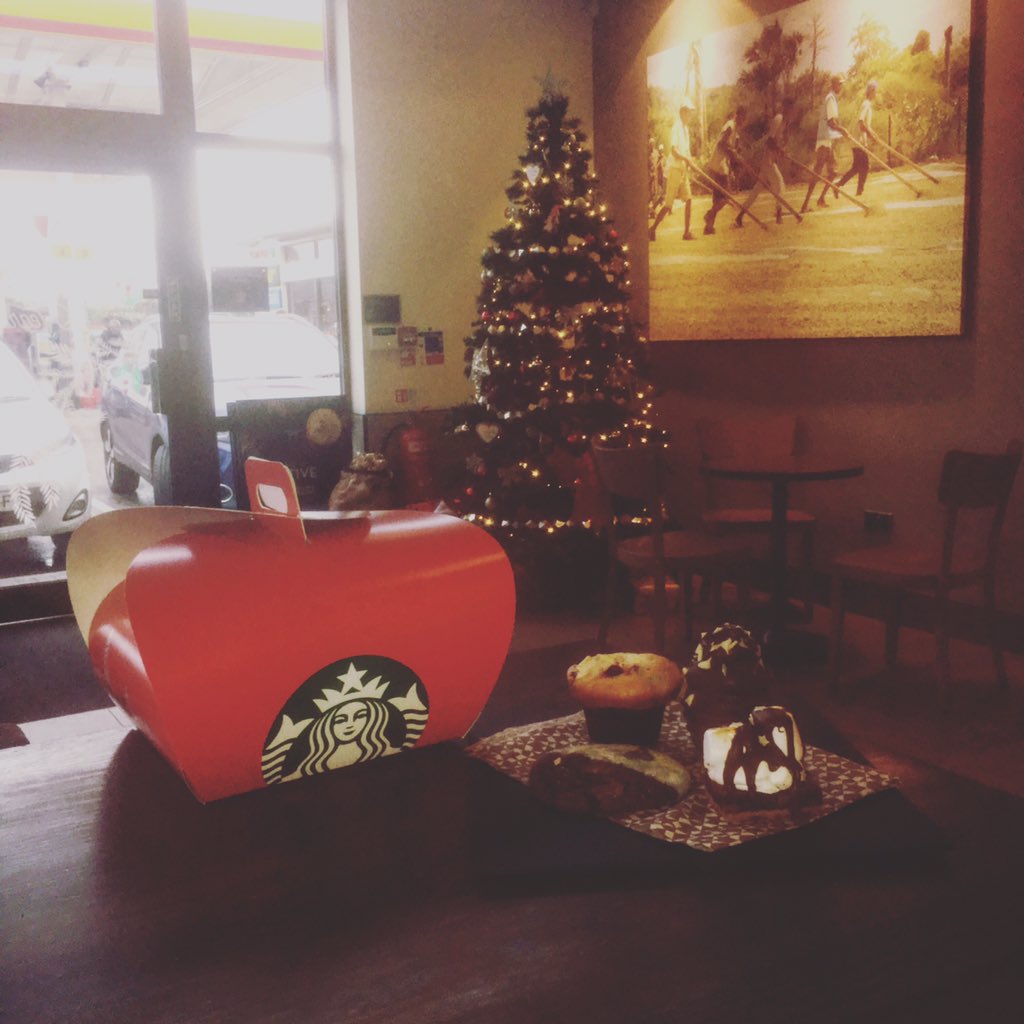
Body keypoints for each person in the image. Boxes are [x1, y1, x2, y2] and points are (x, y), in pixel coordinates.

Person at [735, 98, 793, 227]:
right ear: (786, 108)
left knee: (756, 190)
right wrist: (779, 151)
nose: (791, 112)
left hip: (770, 160)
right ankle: (778, 213)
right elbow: (769, 141)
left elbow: (776, 142)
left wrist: (781, 151)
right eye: (789, 109)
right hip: (768, 161)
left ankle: (740, 216)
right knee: (780, 184)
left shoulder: (784, 122)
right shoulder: (779, 118)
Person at [649, 99, 696, 241]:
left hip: (682, 169)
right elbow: (674, 151)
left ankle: (686, 232)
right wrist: (686, 159)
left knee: (688, 199)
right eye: (688, 112)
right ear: (682, 112)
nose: (690, 115)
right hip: (675, 169)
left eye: (690, 113)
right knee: (668, 204)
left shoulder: (686, 129)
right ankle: (652, 229)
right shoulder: (676, 127)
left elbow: (685, 151)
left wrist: (689, 161)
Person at [800, 74, 844, 213]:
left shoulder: (832, 99)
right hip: (824, 141)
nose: (841, 87)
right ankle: (805, 204)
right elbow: (831, 122)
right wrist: (842, 130)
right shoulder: (830, 99)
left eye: (841, 84)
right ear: (834, 85)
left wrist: (841, 130)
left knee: (833, 172)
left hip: (827, 140)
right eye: (839, 84)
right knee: (817, 173)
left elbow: (833, 122)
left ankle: (821, 199)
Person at [703, 106, 746, 234]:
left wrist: (736, 154)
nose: (743, 121)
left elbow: (732, 149)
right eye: (742, 117)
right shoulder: (730, 126)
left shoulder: (735, 131)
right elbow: (722, 143)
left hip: (719, 164)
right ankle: (709, 215)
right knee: (726, 197)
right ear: (738, 116)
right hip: (719, 165)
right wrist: (733, 153)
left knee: (717, 199)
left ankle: (709, 227)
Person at [836, 80, 877, 196]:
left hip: (858, 140)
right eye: (875, 91)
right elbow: (861, 123)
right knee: (864, 166)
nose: (876, 94)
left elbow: (866, 125)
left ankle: (838, 185)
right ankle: (859, 192)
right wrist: (870, 135)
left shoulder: (866, 104)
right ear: (871, 91)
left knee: (857, 167)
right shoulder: (866, 104)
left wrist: (873, 134)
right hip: (858, 141)